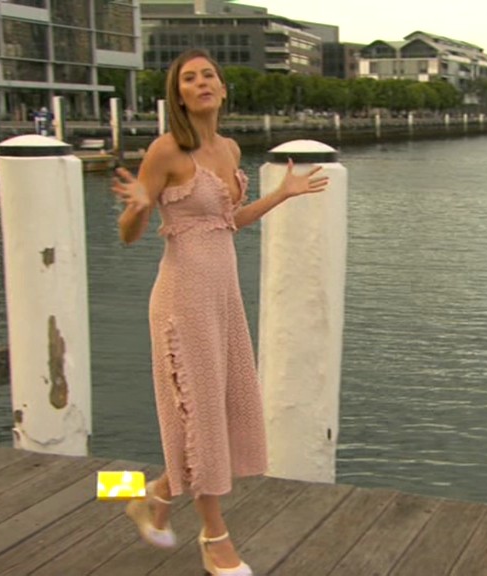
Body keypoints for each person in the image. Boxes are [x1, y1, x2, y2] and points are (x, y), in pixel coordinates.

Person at [110, 49, 328, 575]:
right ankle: (215, 537)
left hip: (222, 299)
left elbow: (228, 222)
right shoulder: (166, 150)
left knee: (219, 411)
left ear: (223, 89)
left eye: (209, 74)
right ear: (179, 95)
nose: (201, 82)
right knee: (200, 414)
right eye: (189, 78)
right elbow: (128, 235)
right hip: (182, 299)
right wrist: (138, 207)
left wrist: (283, 194)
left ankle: (153, 498)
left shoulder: (229, 149)